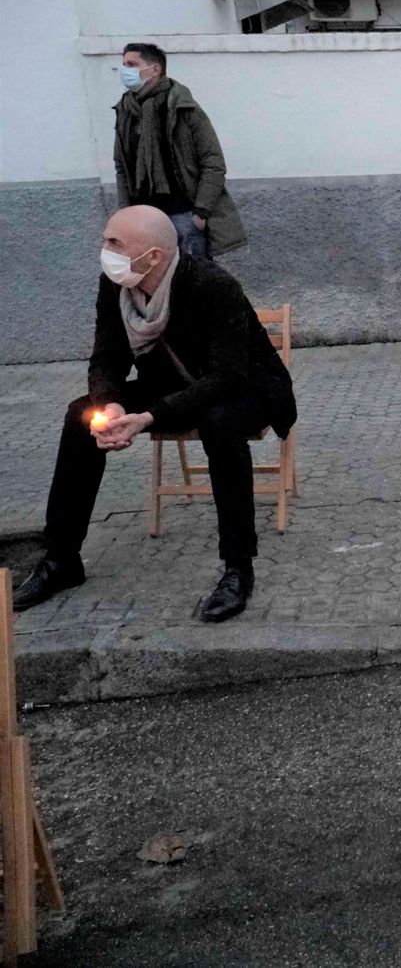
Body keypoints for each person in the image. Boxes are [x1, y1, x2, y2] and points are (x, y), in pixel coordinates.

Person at [13, 206, 296, 621]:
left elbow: (227, 377)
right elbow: (106, 357)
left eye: (114, 243)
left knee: (219, 422)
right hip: (172, 385)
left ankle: (238, 567)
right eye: (105, 239)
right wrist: (109, 404)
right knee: (81, 415)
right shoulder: (116, 286)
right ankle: (61, 558)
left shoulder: (213, 285)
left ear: (153, 257)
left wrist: (148, 416)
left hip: (244, 388)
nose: (104, 249)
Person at [112, 42, 246, 262]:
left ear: (155, 69)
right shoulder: (126, 110)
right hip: (145, 219)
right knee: (154, 281)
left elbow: (213, 162)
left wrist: (200, 213)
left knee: (194, 283)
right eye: (124, 64)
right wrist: (126, 212)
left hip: (183, 214)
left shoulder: (183, 107)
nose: (125, 70)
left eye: (132, 64)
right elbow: (122, 166)